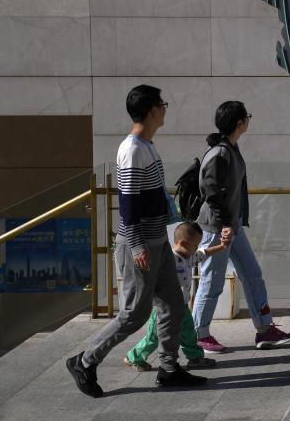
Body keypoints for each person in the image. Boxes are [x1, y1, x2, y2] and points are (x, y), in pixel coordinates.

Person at [66, 85, 206, 397]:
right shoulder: (132, 149)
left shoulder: (146, 145)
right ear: (153, 110)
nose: (166, 108)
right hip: (140, 246)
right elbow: (127, 203)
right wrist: (138, 245)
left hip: (158, 242)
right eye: (163, 104)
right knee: (134, 314)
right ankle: (85, 362)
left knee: (172, 304)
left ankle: (169, 369)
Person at [193, 101, 290, 352]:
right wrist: (225, 226)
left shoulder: (230, 148)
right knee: (212, 280)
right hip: (218, 227)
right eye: (247, 117)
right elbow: (211, 192)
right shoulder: (219, 153)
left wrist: (233, 224)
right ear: (240, 122)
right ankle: (198, 334)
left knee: (252, 273)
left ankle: (264, 329)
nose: (249, 120)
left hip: (231, 225)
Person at [124, 221, 228, 371]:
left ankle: (194, 357)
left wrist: (222, 247)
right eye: (195, 245)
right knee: (155, 336)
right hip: (163, 307)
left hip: (182, 305)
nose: (197, 248)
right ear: (183, 243)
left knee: (188, 333)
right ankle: (134, 357)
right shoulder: (168, 259)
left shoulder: (188, 257)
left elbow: (204, 253)